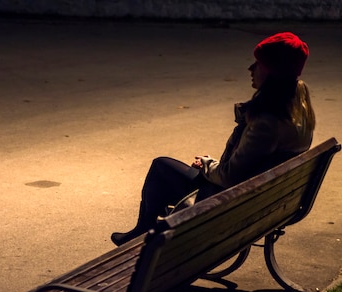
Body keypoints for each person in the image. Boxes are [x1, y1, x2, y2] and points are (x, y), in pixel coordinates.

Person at [111, 32, 316, 246]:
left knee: (161, 167)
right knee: (168, 170)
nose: (251, 69)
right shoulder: (300, 111)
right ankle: (147, 233)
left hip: (229, 204)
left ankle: (144, 234)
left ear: (273, 71)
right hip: (259, 201)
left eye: (258, 63)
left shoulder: (268, 123)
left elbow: (229, 177)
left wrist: (208, 165)